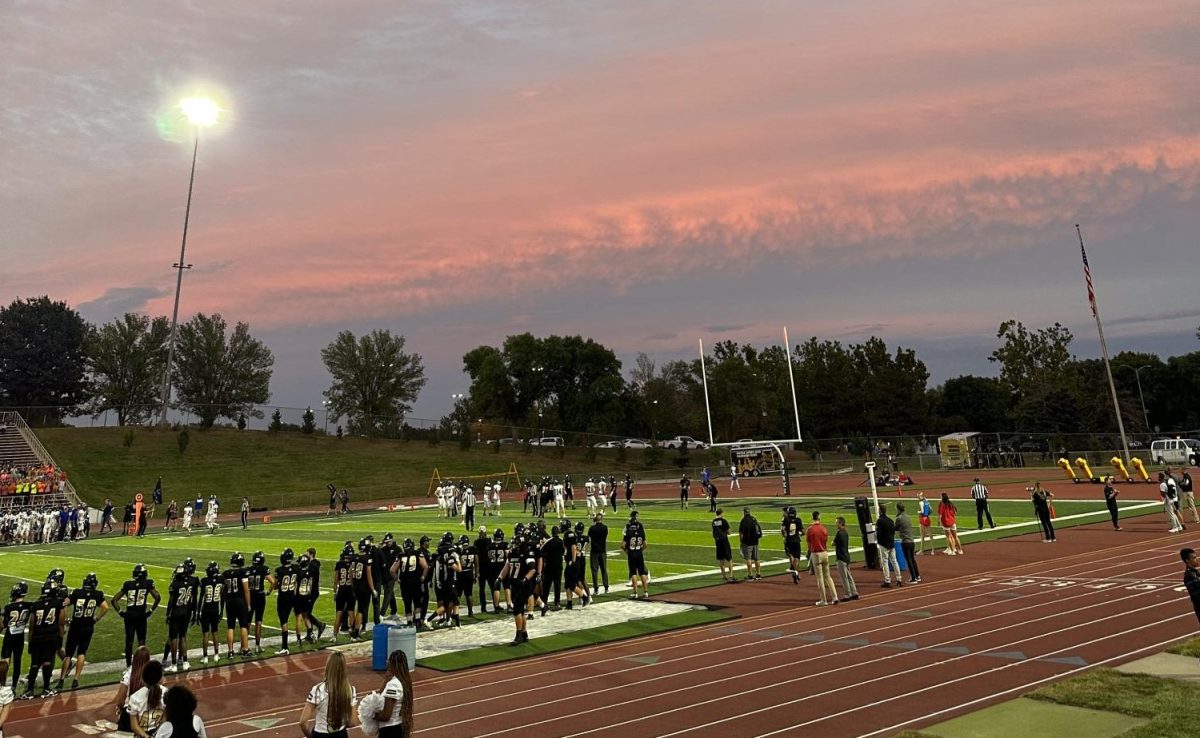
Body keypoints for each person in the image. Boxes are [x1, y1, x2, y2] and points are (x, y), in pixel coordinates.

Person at [58, 572, 109, 690]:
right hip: (88, 626)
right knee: (82, 652)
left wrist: (65, 619)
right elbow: (106, 607)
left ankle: (61, 680)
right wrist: (96, 618)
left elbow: (65, 603)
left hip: (76, 625)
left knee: (69, 654)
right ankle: (76, 679)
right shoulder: (97, 594)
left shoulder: (77, 592)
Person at [299, 651, 357, 738]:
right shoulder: (350, 690)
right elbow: (353, 722)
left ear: (328, 667)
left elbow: (303, 722)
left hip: (321, 734)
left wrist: (310, 736)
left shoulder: (318, 690)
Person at [113, 564, 160, 667]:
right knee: (141, 640)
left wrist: (121, 612)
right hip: (141, 615)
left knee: (129, 641)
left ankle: (128, 666)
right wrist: (151, 610)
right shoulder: (147, 583)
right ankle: (141, 664)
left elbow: (114, 600)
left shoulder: (128, 584)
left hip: (129, 615)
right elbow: (157, 597)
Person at [22, 582, 63, 698]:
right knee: (47, 662)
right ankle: (46, 689)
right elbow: (60, 623)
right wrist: (60, 638)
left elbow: (31, 625)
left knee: (34, 663)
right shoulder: (58, 604)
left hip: (37, 637)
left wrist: (30, 641)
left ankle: (29, 690)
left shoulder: (36, 605)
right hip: (50, 636)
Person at [500, 532, 537, 645]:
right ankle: (524, 633)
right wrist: (499, 578)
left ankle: (518, 635)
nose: (514, 546)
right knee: (520, 610)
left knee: (517, 610)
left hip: (523, 585)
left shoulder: (527, 553)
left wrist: (525, 579)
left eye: (515, 544)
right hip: (515, 584)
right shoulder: (512, 553)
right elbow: (507, 566)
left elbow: (533, 570)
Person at [371, 650, 414, 738]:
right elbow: (380, 695)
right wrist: (386, 679)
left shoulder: (393, 684)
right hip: (399, 726)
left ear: (392, 664)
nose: (387, 662)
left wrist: (370, 715)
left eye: (389, 660)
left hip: (390, 730)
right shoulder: (403, 680)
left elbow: (386, 716)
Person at [221, 552, 252, 658]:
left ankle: (230, 651)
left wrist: (226, 600)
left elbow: (222, 590)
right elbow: (246, 590)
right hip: (240, 600)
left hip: (229, 601)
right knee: (243, 625)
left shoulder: (225, 573)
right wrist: (248, 604)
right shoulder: (242, 572)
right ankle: (245, 650)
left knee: (230, 626)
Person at [114, 646, 150, 731]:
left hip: (128, 716)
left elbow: (119, 700)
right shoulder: (152, 674)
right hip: (146, 716)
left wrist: (120, 708)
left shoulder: (129, 674)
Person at [805, 511, 838, 606]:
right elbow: (825, 541)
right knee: (828, 576)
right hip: (825, 552)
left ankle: (824, 600)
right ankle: (834, 596)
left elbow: (809, 545)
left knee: (820, 578)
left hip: (816, 554)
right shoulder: (824, 528)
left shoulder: (810, 530)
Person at [2, 584, 30, 694]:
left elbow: (4, 624)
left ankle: (2, 685)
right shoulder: (29, 605)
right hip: (20, 637)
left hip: (9, 637)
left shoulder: (8, 607)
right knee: (17, 662)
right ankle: (13, 687)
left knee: (5, 662)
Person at [128, 659, 165, 738]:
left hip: (143, 735)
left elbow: (134, 726)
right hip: (161, 733)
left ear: (143, 678)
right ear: (160, 678)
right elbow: (166, 719)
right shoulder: (166, 692)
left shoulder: (135, 697)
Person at [197, 562, 223, 664]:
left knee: (205, 633)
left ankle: (205, 656)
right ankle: (216, 654)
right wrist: (221, 612)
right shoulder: (220, 580)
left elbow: (201, 598)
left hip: (206, 609)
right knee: (215, 631)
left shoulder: (204, 581)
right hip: (215, 608)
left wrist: (198, 612)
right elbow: (223, 598)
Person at [247, 551, 271, 653]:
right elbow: (273, 582)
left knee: (247, 621)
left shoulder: (248, 570)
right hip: (260, 596)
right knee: (258, 621)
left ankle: (244, 646)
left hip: (251, 596)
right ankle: (257, 646)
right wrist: (268, 591)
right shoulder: (264, 569)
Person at [622, 511, 650, 598]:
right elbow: (645, 545)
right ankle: (646, 592)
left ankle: (635, 593)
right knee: (642, 573)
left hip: (631, 553)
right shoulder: (641, 532)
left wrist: (627, 551)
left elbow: (622, 545)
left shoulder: (628, 533)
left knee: (633, 573)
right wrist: (640, 549)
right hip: (639, 553)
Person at [875, 504, 902, 588]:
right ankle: (899, 579)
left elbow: (878, 533)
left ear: (880, 511)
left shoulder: (879, 521)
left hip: (884, 544)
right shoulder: (890, 520)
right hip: (891, 543)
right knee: (894, 561)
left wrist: (879, 541)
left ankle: (887, 580)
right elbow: (893, 532)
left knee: (885, 562)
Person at [833, 516, 859, 601]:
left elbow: (833, 543)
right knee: (849, 576)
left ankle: (847, 595)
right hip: (846, 556)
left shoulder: (839, 533)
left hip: (841, 557)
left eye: (837, 522)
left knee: (844, 577)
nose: (835, 524)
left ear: (841, 523)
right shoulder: (845, 532)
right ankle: (854, 592)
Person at [895, 503, 921, 584]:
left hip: (905, 541)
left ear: (898, 509)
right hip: (911, 541)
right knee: (913, 559)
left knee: (909, 560)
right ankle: (917, 576)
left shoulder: (899, 518)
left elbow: (895, 528)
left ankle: (913, 578)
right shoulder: (908, 517)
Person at [780, 507, 804, 584]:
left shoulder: (786, 520)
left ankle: (793, 569)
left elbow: (783, 530)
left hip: (789, 541)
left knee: (791, 555)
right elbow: (803, 531)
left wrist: (785, 536)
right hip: (796, 540)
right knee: (797, 558)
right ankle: (796, 572)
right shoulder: (798, 520)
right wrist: (800, 534)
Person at [738, 508, 763, 581]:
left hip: (747, 542)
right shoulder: (754, 519)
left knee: (748, 559)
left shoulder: (743, 520)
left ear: (744, 512)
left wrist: (741, 541)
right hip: (755, 541)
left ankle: (750, 575)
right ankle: (758, 574)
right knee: (756, 558)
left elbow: (741, 533)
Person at [712, 509, 736, 583]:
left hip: (718, 541)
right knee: (729, 558)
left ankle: (723, 575)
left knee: (721, 559)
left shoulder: (714, 522)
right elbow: (729, 532)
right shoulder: (724, 521)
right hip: (724, 541)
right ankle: (731, 575)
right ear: (721, 513)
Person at [588, 514, 609, 595]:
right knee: (604, 570)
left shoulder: (592, 528)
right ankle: (606, 587)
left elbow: (589, 537)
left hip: (594, 551)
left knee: (594, 571)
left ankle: (596, 589)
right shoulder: (605, 528)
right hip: (602, 551)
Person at [1182, 548, 1200, 628]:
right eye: (1194, 558)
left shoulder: (1195, 573)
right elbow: (1197, 594)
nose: (1197, 559)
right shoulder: (1189, 576)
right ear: (1187, 560)